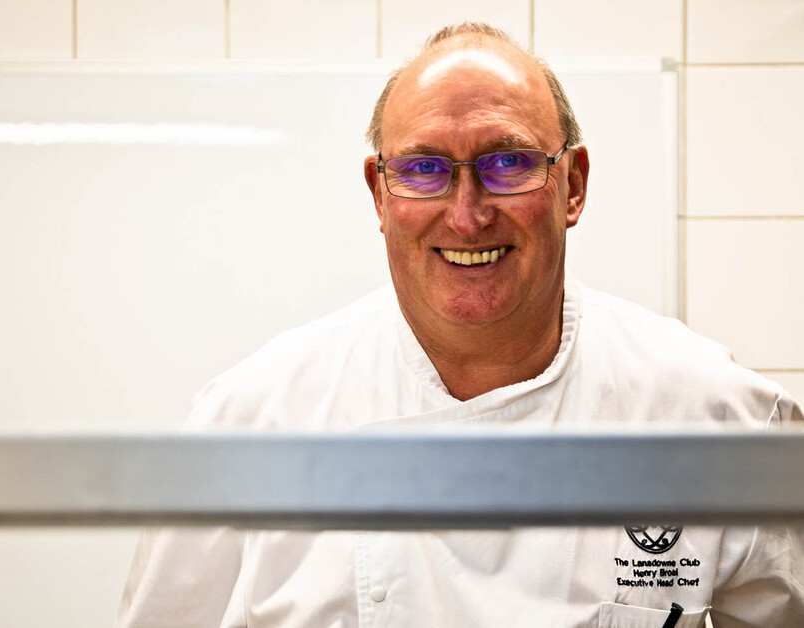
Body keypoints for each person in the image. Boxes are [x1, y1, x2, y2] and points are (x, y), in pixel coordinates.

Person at [116, 23, 803, 627]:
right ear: (379, 195)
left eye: (509, 163)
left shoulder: (714, 417)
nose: (468, 214)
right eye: (423, 169)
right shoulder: (248, 425)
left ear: (573, 185)